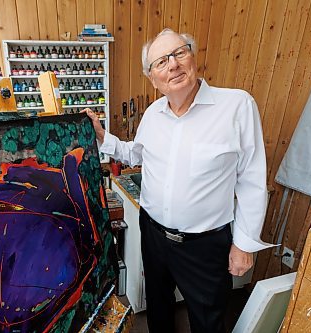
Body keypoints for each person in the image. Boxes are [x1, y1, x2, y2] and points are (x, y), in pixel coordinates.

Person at [85, 28, 273, 333]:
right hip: (154, 235)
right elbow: (137, 154)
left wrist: (244, 244)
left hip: (205, 244)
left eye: (179, 53)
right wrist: (103, 137)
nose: (172, 64)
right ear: (152, 77)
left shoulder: (236, 106)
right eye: (161, 62)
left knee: (207, 319)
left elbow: (252, 179)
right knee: (159, 309)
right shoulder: (153, 113)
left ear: (193, 56)